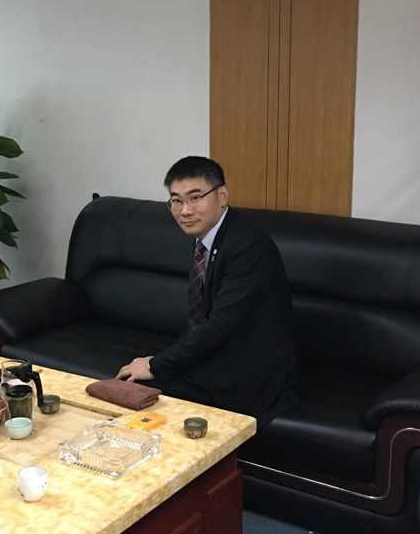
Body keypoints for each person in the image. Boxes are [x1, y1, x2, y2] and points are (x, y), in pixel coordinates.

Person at [116, 156, 296, 427]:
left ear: (222, 196)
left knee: (137, 394)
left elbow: (220, 325)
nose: (185, 211)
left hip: (246, 369)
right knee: (127, 386)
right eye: (176, 200)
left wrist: (155, 365)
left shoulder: (247, 245)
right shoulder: (207, 236)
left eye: (195, 197)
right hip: (213, 355)